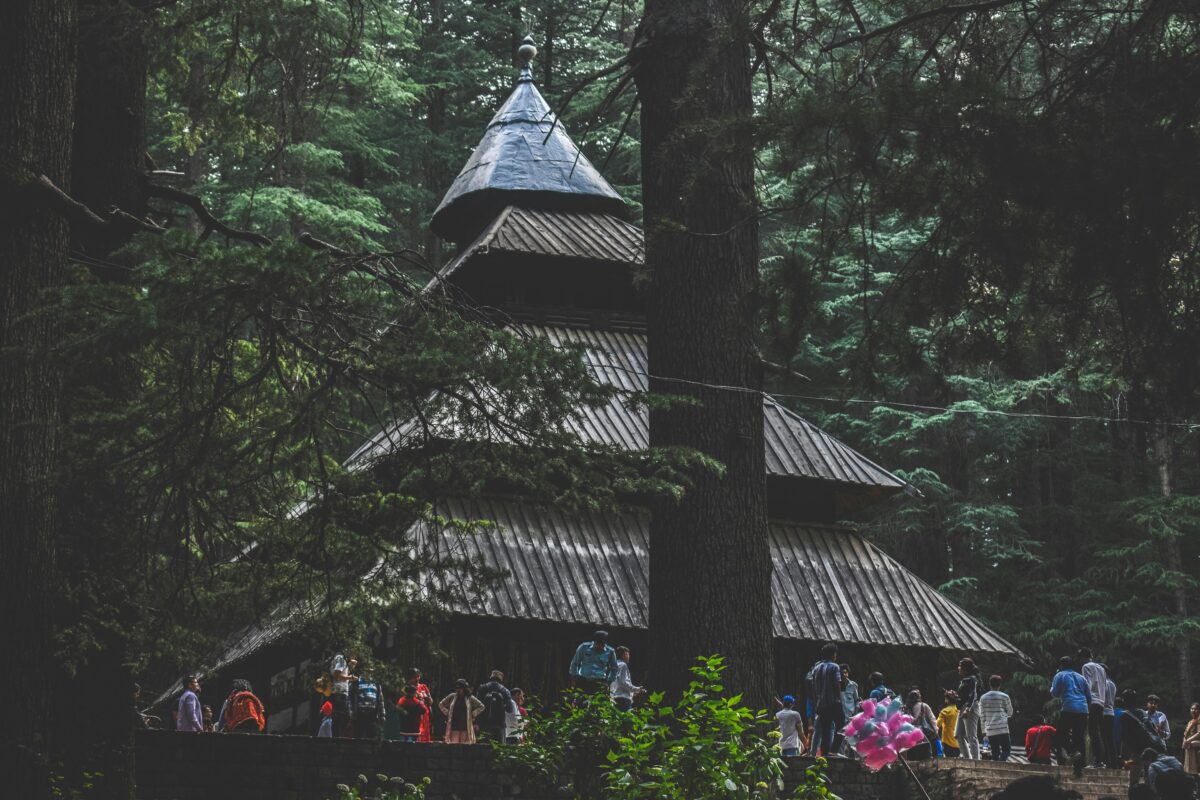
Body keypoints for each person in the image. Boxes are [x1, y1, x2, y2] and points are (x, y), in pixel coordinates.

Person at [1049, 656, 1089, 764]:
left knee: (1060, 735)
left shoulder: (1060, 675)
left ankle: (1072, 751)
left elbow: (1054, 693)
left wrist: (1053, 685)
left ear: (1061, 665)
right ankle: (1081, 763)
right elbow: (1088, 695)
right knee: (1079, 737)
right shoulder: (1082, 678)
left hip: (1069, 708)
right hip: (1083, 709)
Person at [808, 643, 843, 758]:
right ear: (833, 654)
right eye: (835, 654)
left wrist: (815, 704)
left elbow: (813, 689)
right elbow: (837, 684)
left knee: (825, 730)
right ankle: (834, 749)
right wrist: (839, 700)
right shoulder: (835, 667)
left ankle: (825, 754)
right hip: (833, 702)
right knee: (842, 725)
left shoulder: (816, 668)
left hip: (821, 705)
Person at [1078, 648, 1110, 768]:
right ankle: (1101, 760)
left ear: (1082, 658)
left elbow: (1087, 684)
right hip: (1101, 702)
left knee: (1093, 732)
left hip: (1092, 701)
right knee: (1098, 732)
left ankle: (1097, 760)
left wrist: (1086, 701)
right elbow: (1104, 686)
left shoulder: (1086, 667)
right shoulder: (1101, 668)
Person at [979, 675, 1014, 762]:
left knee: (995, 752)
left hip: (990, 729)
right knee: (1006, 749)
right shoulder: (1005, 696)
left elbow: (982, 716)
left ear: (989, 684)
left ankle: (996, 764)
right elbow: (1010, 712)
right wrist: (1004, 715)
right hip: (1003, 729)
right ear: (1000, 684)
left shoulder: (983, 698)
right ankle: (1001, 762)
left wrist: (983, 731)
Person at [439, 678, 484, 744]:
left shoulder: (470, 698)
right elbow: (441, 704)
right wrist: (447, 713)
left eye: (460, 688)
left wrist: (473, 714)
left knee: (464, 746)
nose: (458, 690)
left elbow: (481, 706)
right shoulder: (452, 696)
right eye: (457, 688)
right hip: (454, 726)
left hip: (465, 727)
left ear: (464, 688)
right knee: (454, 746)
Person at [475, 670, 515, 743]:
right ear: (501, 679)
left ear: (491, 677)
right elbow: (510, 709)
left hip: (484, 724)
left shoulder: (482, 688)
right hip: (499, 725)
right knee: (499, 750)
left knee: (484, 748)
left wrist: (476, 722)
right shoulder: (505, 691)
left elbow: (476, 707)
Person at [955, 658, 983, 760]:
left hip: (970, 707)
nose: (958, 668)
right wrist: (955, 696)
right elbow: (963, 696)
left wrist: (968, 708)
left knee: (971, 736)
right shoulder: (965, 680)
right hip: (963, 707)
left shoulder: (972, 679)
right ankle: (968, 759)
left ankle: (976, 761)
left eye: (960, 666)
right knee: (958, 734)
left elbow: (973, 694)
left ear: (965, 668)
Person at [351, 667, 386, 740]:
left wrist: (382, 714)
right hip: (360, 714)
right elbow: (351, 697)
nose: (369, 673)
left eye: (370, 671)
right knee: (359, 737)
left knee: (372, 737)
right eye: (367, 671)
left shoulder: (376, 683)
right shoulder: (356, 682)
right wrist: (351, 712)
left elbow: (380, 700)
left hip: (372, 714)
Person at [329, 653, 358, 738]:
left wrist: (350, 667)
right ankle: (337, 740)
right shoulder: (341, 658)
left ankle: (336, 739)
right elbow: (336, 675)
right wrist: (350, 678)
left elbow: (339, 674)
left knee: (339, 718)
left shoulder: (339, 658)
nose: (353, 657)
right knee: (343, 716)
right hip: (340, 692)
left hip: (338, 692)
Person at [904, 689, 937, 760]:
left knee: (914, 752)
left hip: (911, 733)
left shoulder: (907, 708)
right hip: (922, 731)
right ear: (918, 697)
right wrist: (936, 729)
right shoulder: (923, 705)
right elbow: (932, 718)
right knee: (926, 750)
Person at [835, 664, 860, 752]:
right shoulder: (835, 685)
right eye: (841, 673)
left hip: (851, 717)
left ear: (848, 673)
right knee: (840, 738)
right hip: (839, 716)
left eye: (845, 672)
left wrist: (855, 715)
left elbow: (857, 701)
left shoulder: (853, 685)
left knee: (852, 738)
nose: (844, 674)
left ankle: (852, 758)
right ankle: (842, 757)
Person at [405, 667, 434, 743]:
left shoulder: (423, 687)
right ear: (410, 677)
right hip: (414, 716)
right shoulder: (407, 688)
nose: (417, 678)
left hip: (425, 716)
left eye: (418, 676)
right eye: (415, 677)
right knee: (416, 735)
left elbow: (431, 702)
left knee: (425, 735)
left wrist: (426, 698)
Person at [610, 646, 642, 711]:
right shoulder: (623, 665)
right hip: (623, 699)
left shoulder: (613, 666)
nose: (629, 657)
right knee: (626, 720)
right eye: (628, 654)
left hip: (614, 698)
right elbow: (623, 682)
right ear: (624, 654)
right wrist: (637, 689)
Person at [1102, 668, 1117, 768]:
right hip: (1111, 712)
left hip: (1104, 712)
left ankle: (1106, 761)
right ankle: (1113, 763)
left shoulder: (1104, 683)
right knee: (1110, 739)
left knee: (1103, 739)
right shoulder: (1113, 684)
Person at [937, 690, 960, 758]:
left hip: (948, 742)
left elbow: (937, 725)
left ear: (947, 699)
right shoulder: (959, 711)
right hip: (958, 743)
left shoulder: (945, 711)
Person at [1183, 702, 1199, 775]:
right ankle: (1187, 770)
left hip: (1197, 741)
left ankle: (1193, 770)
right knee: (1187, 744)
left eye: (1195, 709)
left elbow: (1199, 733)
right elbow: (1185, 734)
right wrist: (1184, 740)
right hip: (1190, 742)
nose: (1193, 710)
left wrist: (1188, 740)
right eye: (1192, 709)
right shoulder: (1190, 722)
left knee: (1190, 744)